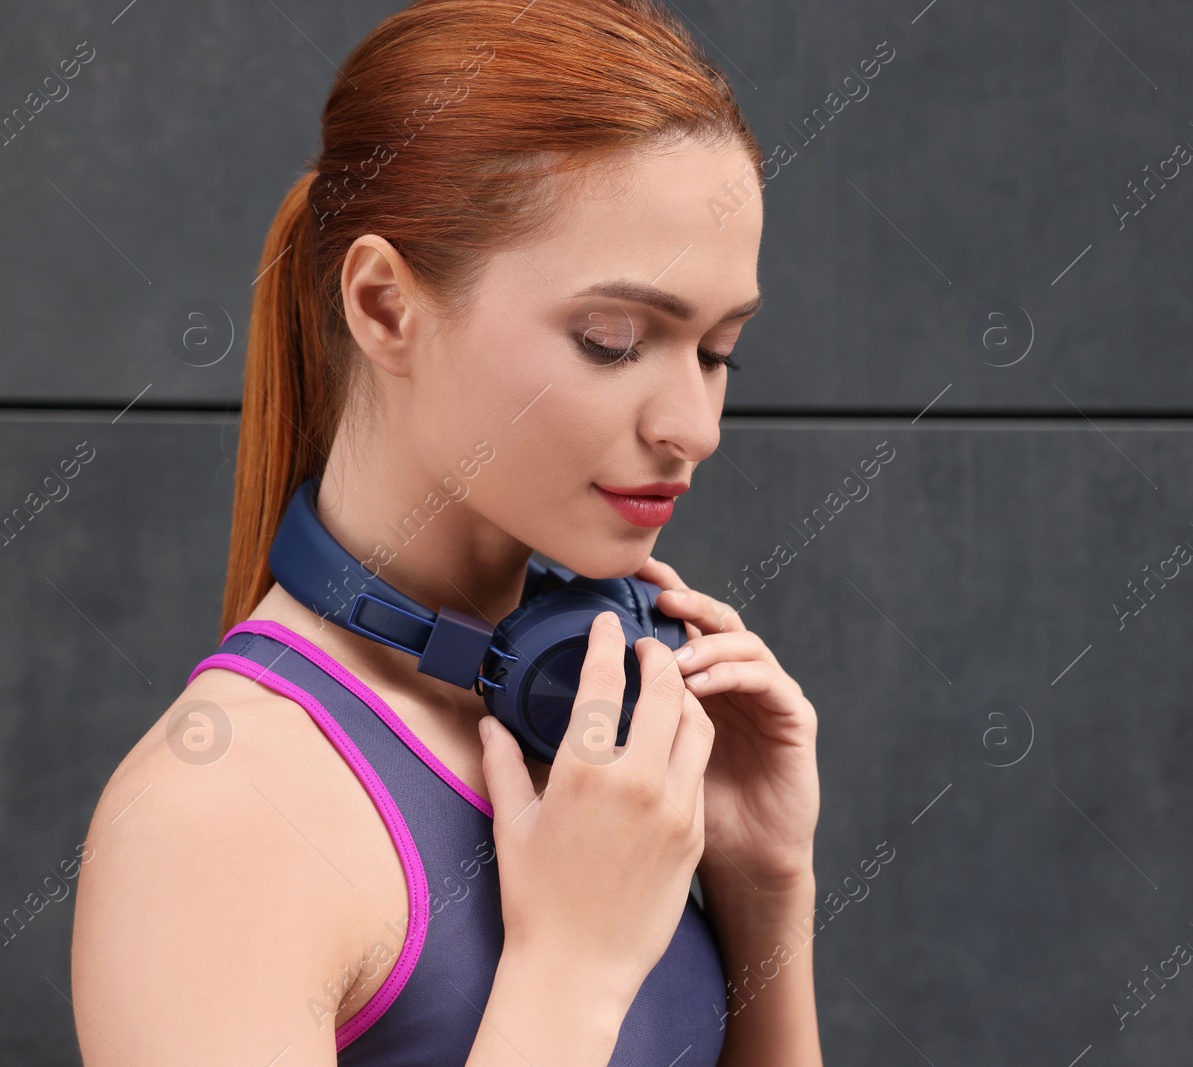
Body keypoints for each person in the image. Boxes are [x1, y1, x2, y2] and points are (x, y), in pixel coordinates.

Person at [69, 1, 822, 1063]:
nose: (692, 427)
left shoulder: (593, 743)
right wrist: (571, 968)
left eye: (718, 351)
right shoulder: (214, 816)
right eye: (613, 341)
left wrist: (763, 885)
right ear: (384, 306)